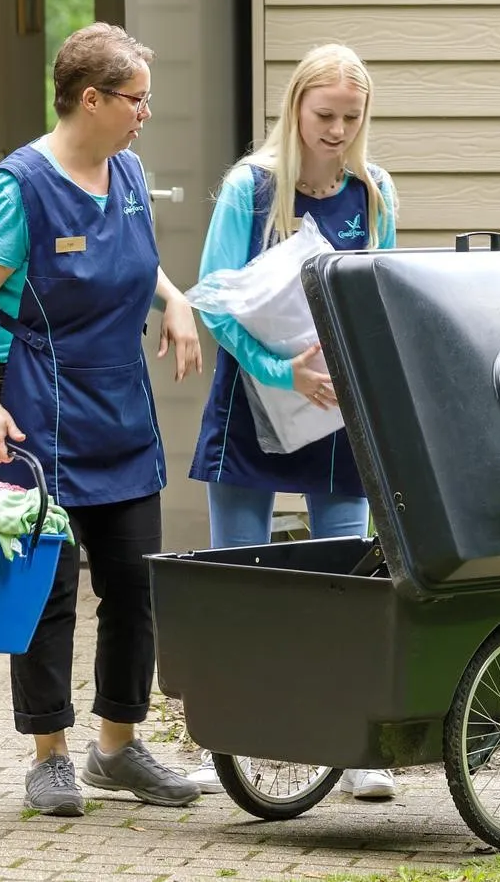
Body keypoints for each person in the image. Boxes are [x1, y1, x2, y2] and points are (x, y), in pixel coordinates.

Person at [0, 22, 207, 818]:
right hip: (34, 412)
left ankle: (116, 747)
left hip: (119, 408)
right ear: (93, 98)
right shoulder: (17, 187)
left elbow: (132, 255)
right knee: (46, 589)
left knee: (133, 584)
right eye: (137, 98)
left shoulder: (125, 171)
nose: (146, 112)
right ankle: (49, 755)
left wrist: (175, 298)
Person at [183, 43, 400, 801]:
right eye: (324, 115)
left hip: (339, 423)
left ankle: (351, 743)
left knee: (347, 582)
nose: (337, 130)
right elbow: (213, 299)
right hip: (250, 413)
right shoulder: (250, 188)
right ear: (295, 109)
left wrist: (345, 372)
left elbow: (380, 298)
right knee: (238, 588)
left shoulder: (374, 193)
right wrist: (285, 372)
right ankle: (229, 739)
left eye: (351, 116)